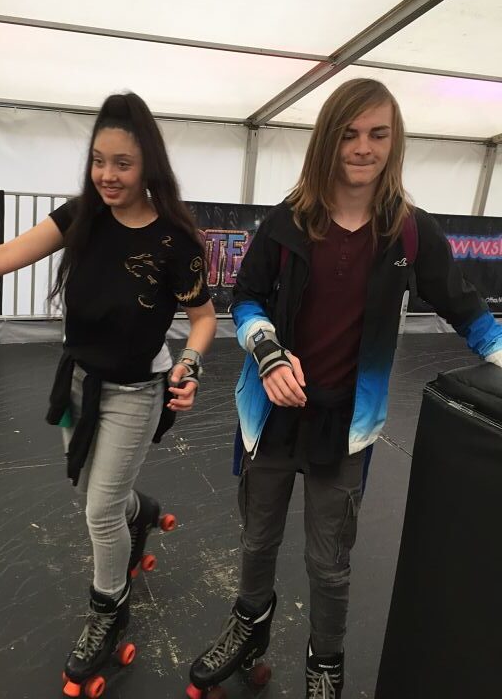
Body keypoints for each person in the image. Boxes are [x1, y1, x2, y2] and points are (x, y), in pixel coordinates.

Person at [187, 78, 502, 699]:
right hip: (270, 416)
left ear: (395, 141)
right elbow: (244, 300)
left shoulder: (410, 234)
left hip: (347, 427)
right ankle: (250, 627)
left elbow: (471, 314)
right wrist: (270, 354)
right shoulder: (286, 222)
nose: (363, 148)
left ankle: (324, 663)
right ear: (327, 142)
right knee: (257, 539)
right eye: (349, 134)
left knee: (330, 564)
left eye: (377, 134)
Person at [0, 92, 217, 693]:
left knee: (99, 510)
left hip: (134, 390)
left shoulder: (176, 240)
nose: (107, 175)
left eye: (122, 163)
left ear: (148, 163)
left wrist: (193, 367)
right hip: (78, 380)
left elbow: (202, 318)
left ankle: (108, 611)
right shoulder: (81, 215)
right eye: (99, 160)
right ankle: (142, 513)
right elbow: (4, 255)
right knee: (93, 489)